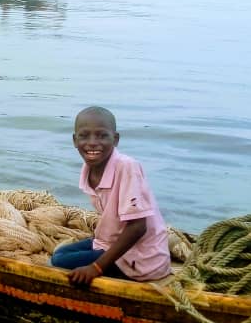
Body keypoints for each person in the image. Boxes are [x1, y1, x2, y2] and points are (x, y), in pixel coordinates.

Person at [50, 106, 171, 285]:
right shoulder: (89, 168)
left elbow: (138, 227)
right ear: (75, 140)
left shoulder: (127, 167)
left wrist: (96, 268)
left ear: (115, 139)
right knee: (60, 254)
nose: (92, 142)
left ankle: (119, 272)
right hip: (110, 243)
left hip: (141, 258)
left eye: (102, 135)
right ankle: (104, 253)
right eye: (84, 135)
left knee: (60, 261)